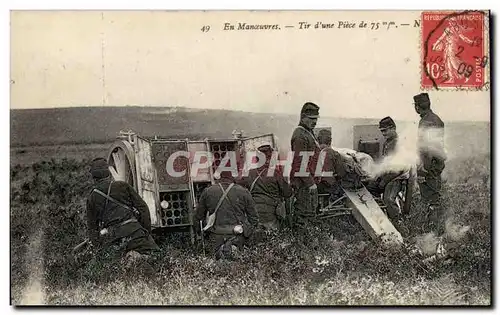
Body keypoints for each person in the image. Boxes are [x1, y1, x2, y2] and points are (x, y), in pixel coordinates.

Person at [86, 158, 159, 258]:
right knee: (157, 257)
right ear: (108, 173)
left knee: (114, 268)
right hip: (135, 233)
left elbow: (93, 229)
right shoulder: (122, 186)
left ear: (93, 177)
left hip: (113, 240)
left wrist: (98, 249)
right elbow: (143, 209)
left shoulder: (92, 197)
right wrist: (145, 232)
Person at [194, 169, 258, 260]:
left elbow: (198, 217)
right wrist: (246, 233)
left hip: (215, 236)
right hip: (237, 236)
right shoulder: (243, 191)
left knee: (215, 263)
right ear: (233, 178)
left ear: (219, 177)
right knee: (238, 262)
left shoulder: (208, 191)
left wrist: (202, 234)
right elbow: (254, 219)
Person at [238, 143, 292, 230]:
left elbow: (238, 190)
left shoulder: (249, 173)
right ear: (269, 159)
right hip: (271, 215)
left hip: (253, 215)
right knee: (273, 239)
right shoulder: (275, 174)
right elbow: (288, 193)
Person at [414, 93, 446, 235]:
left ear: (418, 107)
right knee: (434, 197)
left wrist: (422, 170)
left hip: (428, 166)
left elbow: (426, 148)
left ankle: (433, 231)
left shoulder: (426, 122)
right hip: (436, 165)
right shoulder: (437, 119)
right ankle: (435, 228)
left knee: (430, 199)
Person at [367, 117, 405, 226]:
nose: (383, 133)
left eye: (385, 130)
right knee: (370, 189)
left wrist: (384, 180)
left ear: (393, 128)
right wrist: (377, 176)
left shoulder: (399, 143)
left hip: (397, 177)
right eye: (381, 131)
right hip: (388, 175)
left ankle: (397, 223)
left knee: (388, 199)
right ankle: (380, 218)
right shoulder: (387, 143)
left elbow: (399, 169)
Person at [290, 102, 322, 231]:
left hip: (308, 182)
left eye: (316, 119)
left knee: (310, 214)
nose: (314, 122)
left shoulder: (308, 133)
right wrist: (310, 184)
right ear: (303, 117)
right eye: (311, 119)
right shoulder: (300, 135)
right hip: (303, 184)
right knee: (304, 216)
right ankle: (302, 247)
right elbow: (299, 164)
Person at [315, 129, 344, 202]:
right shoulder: (334, 154)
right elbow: (341, 173)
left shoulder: (313, 153)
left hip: (316, 187)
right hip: (330, 188)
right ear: (330, 140)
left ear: (318, 139)